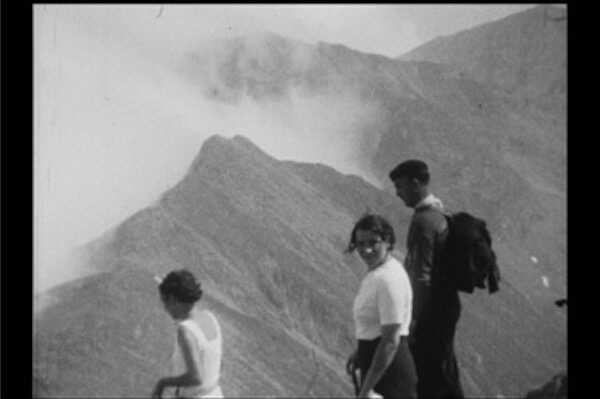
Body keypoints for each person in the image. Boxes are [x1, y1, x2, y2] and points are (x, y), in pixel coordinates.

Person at [389, 160, 464, 399]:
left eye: (400, 186)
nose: (397, 193)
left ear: (416, 183)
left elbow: (421, 276)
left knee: (428, 374)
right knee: (444, 369)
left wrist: (412, 320)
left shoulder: (423, 221)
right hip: (446, 305)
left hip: (431, 311)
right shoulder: (441, 213)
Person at [346, 214, 417, 399]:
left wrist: (367, 389)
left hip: (389, 374)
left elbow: (390, 341)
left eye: (373, 243)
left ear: (387, 242)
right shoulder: (379, 273)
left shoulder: (388, 279)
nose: (366, 249)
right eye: (360, 243)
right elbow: (378, 326)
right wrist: (359, 354)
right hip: (378, 365)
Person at [152, 269, 223, 399]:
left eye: (164, 301)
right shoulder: (209, 318)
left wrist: (162, 383)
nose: (165, 308)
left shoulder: (186, 330)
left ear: (173, 299)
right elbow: (212, 359)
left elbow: (196, 377)